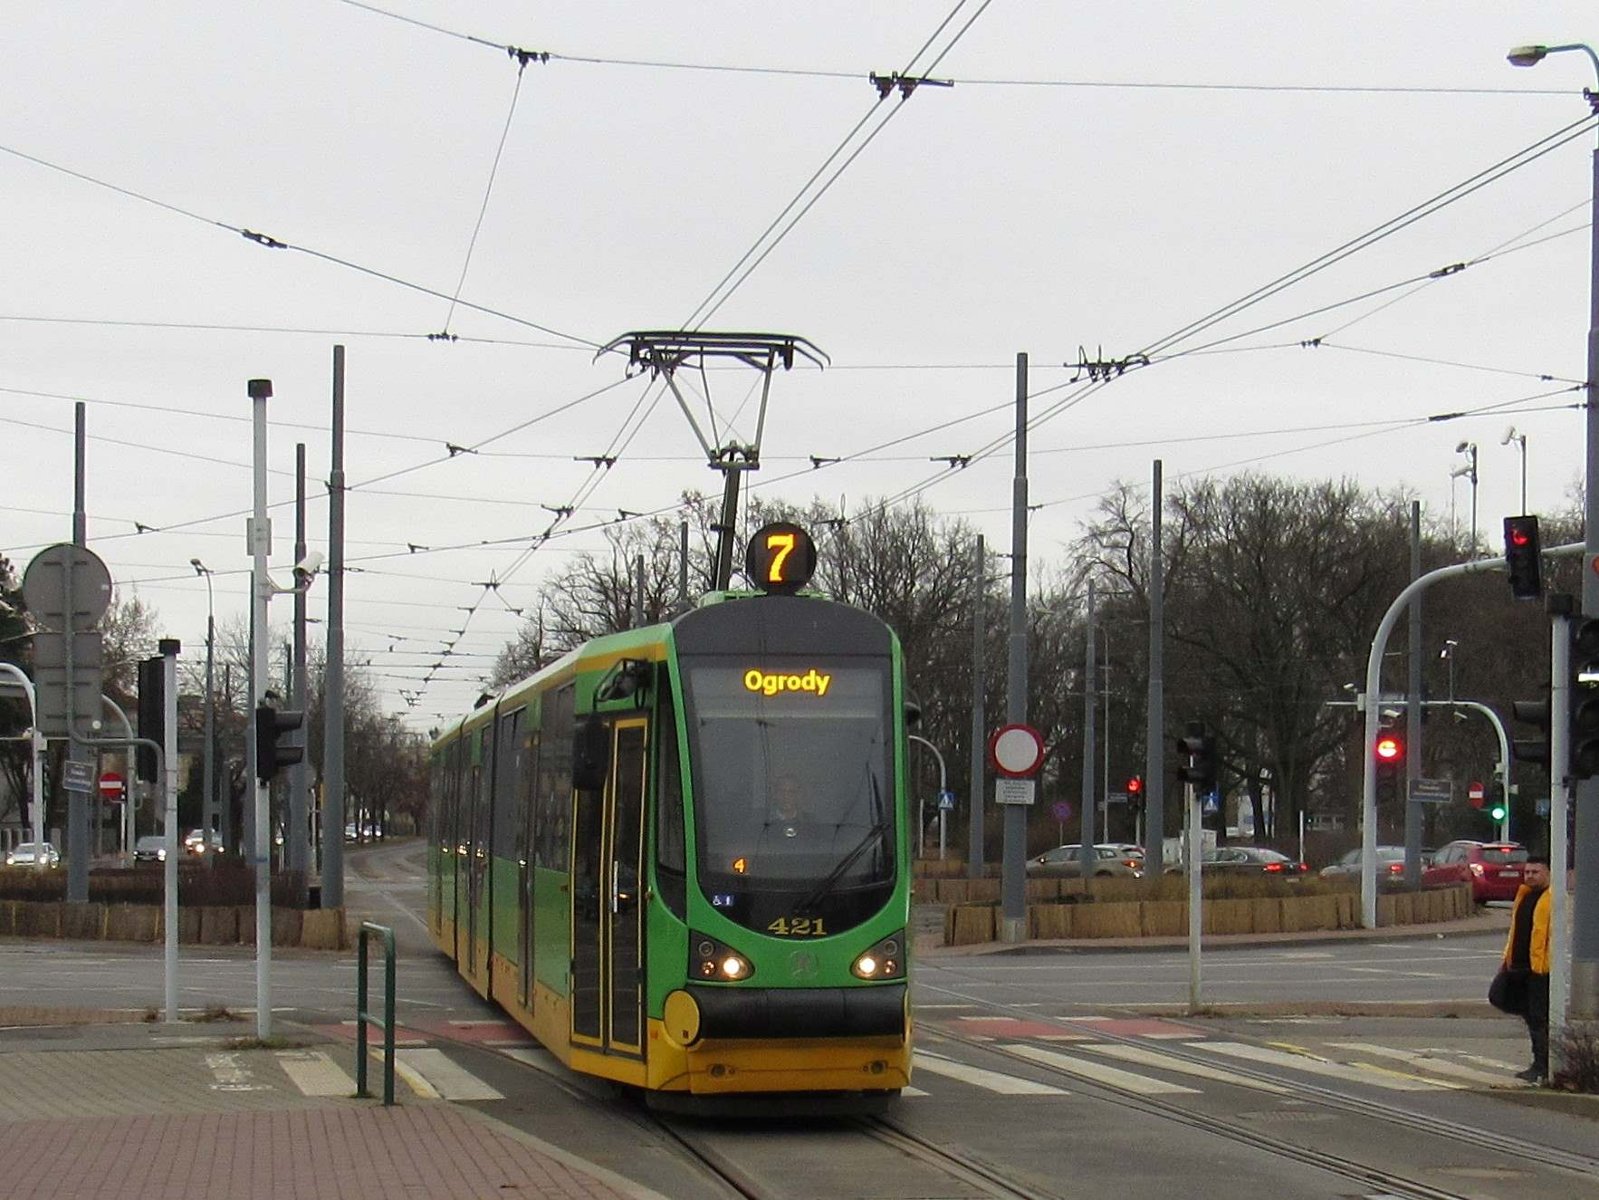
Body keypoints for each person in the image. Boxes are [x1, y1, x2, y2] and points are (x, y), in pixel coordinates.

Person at [1501, 854, 1552, 1083]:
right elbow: (1516, 932)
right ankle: (1540, 1062)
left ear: (1547, 873)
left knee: (1538, 1017)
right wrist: (1507, 959)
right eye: (1527, 872)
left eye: (1535, 872)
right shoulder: (1524, 895)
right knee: (1504, 999)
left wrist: (1544, 964)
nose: (1530, 876)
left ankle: (1542, 1065)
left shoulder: (1550, 898)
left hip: (1539, 969)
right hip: (1518, 966)